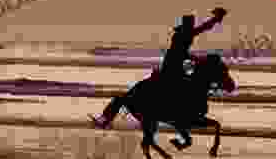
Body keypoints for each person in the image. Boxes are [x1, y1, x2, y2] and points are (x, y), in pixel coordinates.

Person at [90, 7, 227, 129]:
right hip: (172, 66)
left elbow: (201, 30)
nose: (193, 27)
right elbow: (182, 51)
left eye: (192, 25)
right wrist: (198, 58)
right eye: (191, 25)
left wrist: (215, 20)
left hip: (177, 64)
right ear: (186, 26)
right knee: (184, 85)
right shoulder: (182, 36)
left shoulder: (186, 34)